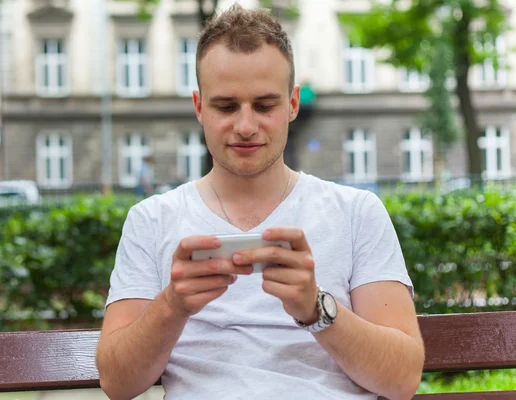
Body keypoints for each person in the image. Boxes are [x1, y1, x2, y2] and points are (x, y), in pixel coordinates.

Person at [96, 5, 424, 400]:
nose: (246, 126)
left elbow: (403, 379)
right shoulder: (151, 220)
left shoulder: (356, 213)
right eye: (226, 106)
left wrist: (316, 310)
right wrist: (172, 306)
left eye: (265, 106)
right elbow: (117, 383)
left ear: (292, 104)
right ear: (199, 108)